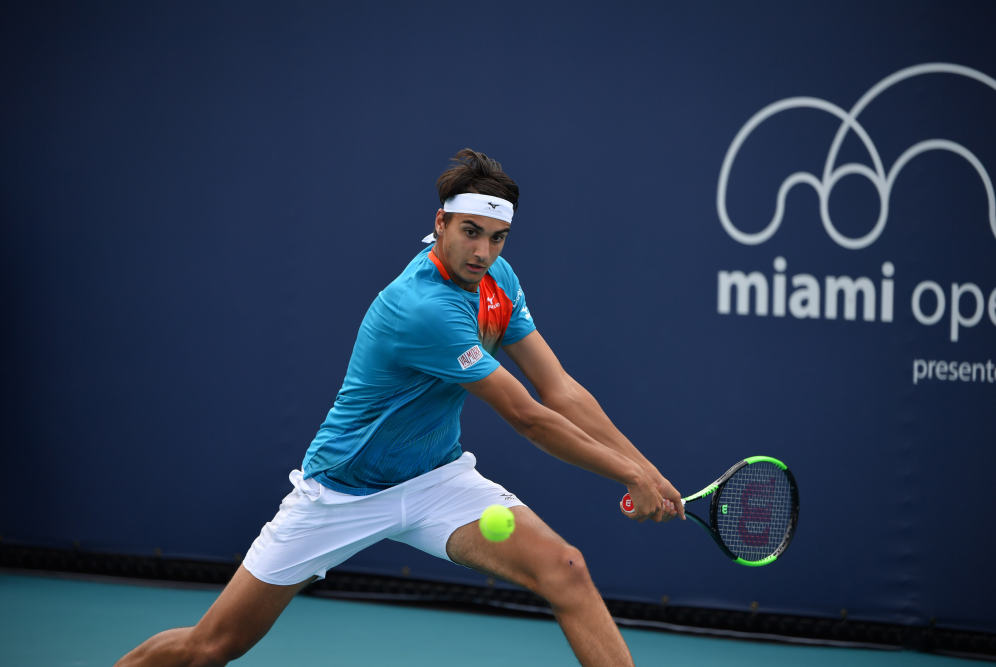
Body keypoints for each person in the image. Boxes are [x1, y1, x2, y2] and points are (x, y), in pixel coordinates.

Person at [115, 148, 685, 667]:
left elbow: (559, 388)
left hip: (437, 478)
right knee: (211, 647)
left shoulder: (498, 281)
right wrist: (629, 473)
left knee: (567, 570)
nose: (483, 252)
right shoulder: (422, 308)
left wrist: (648, 471)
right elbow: (530, 418)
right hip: (342, 491)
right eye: (470, 232)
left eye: (498, 237)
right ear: (440, 223)